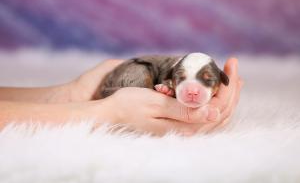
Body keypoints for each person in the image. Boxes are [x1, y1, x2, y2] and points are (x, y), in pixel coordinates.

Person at [0, 57, 243, 136]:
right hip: (134, 74)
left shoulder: (184, 65)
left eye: (207, 81)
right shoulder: (168, 71)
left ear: (220, 80)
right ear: (172, 76)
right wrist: (107, 113)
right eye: (181, 80)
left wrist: (75, 93)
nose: (192, 89)